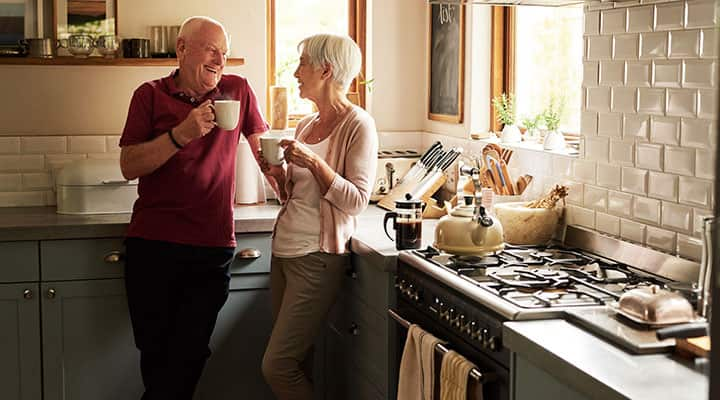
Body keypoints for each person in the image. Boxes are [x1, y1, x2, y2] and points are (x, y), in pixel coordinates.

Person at [119, 16, 268, 400]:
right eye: (211, 49)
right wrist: (180, 135)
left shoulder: (237, 90)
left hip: (211, 247)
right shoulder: (149, 95)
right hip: (153, 246)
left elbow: (263, 148)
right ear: (182, 49)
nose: (221, 59)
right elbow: (129, 165)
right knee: (156, 356)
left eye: (225, 51)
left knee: (188, 354)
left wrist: (288, 176)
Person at [260, 33, 378, 400]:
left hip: (316, 259)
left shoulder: (358, 125)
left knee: (277, 366)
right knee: (297, 364)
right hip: (284, 253)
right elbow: (297, 198)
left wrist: (313, 162)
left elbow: (356, 200)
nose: (296, 73)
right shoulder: (306, 126)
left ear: (326, 70)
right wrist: (278, 178)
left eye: (303, 65)